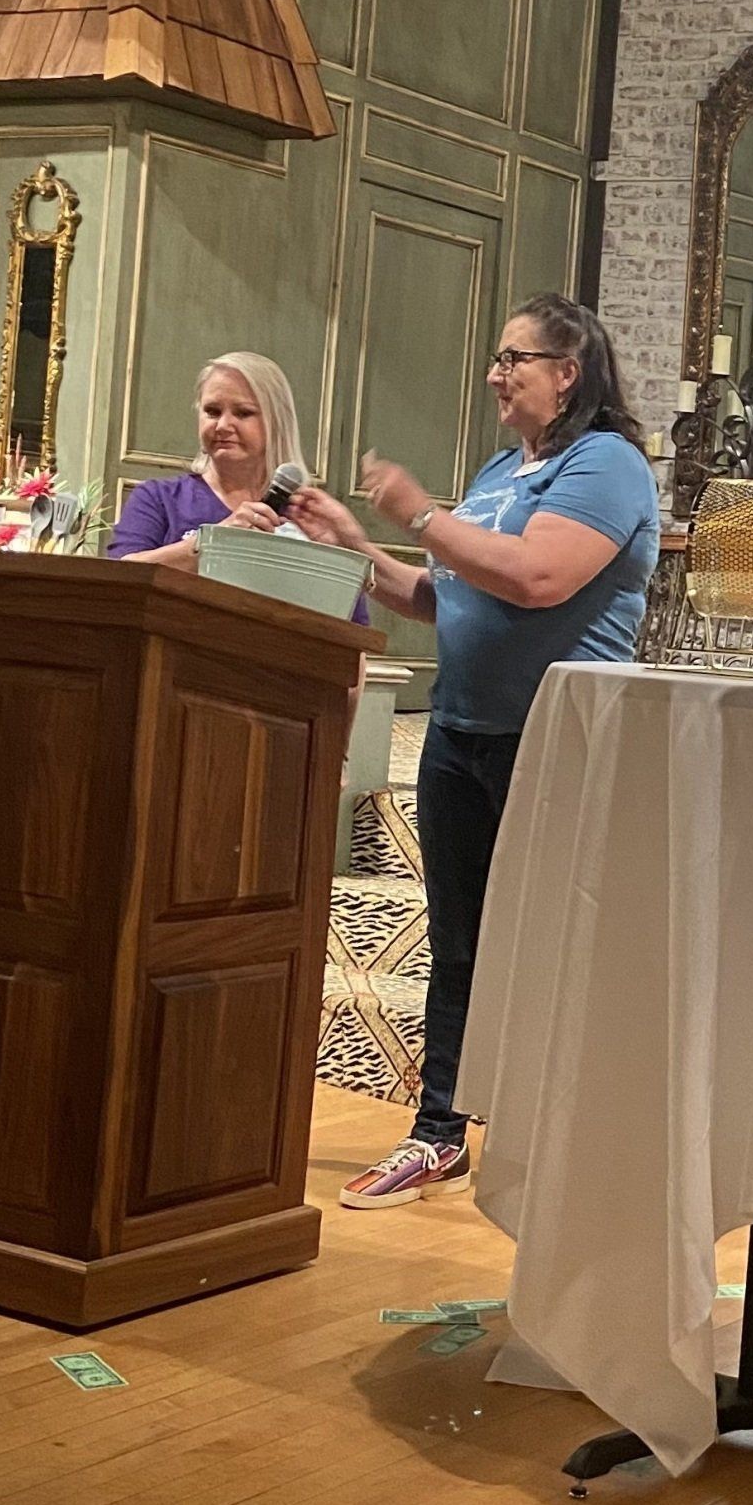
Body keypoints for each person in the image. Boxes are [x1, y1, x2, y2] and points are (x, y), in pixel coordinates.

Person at [288, 293, 658, 1209]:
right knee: (459, 942)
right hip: (462, 733)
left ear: (567, 373)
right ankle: (439, 1133)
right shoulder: (502, 470)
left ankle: (563, 1139)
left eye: (516, 358)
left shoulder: (605, 464)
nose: (497, 373)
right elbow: (440, 595)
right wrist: (349, 542)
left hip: (558, 740)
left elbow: (536, 578)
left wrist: (417, 509)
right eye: (497, 357)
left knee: (556, 943)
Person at [106, 353, 368, 639]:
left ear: (276, 422)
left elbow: (352, 627)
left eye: (243, 413)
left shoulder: (311, 516)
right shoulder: (158, 499)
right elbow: (121, 580)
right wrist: (214, 545)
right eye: (212, 411)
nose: (223, 426)